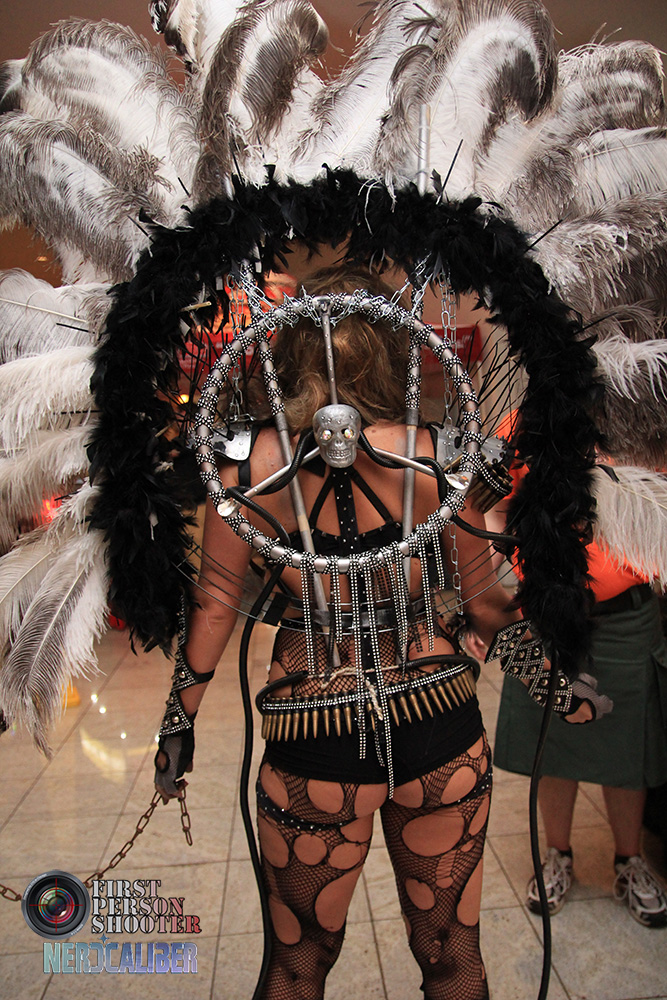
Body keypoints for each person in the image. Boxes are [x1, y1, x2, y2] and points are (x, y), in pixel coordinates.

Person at [153, 267, 600, 1000]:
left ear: (290, 350)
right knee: (453, 957)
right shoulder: (434, 451)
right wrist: (557, 679)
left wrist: (180, 723)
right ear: (395, 352)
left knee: (296, 967)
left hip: (315, 736)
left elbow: (214, 606)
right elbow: (485, 603)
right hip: (439, 729)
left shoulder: (246, 463)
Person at [487, 413, 667, 928]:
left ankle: (630, 860)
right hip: (546, 611)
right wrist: (496, 579)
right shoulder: (522, 423)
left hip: (628, 612)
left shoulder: (645, 419)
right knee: (553, 741)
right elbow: (493, 506)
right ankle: (557, 855)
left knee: (627, 743)